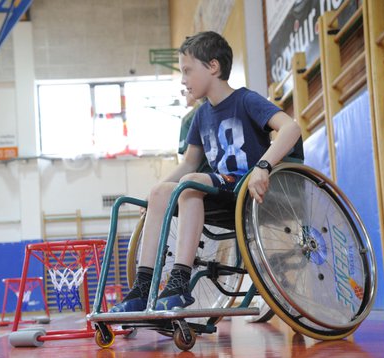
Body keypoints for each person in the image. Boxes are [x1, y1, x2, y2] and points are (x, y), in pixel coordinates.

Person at [112, 31, 303, 312]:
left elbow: (292, 127)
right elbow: (189, 163)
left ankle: (179, 279)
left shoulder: (245, 100)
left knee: (191, 183)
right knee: (160, 191)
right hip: (224, 193)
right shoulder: (200, 115)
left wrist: (264, 166)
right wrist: (155, 196)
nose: (183, 79)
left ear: (213, 67)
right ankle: (142, 285)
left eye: (187, 70)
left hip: (251, 190)